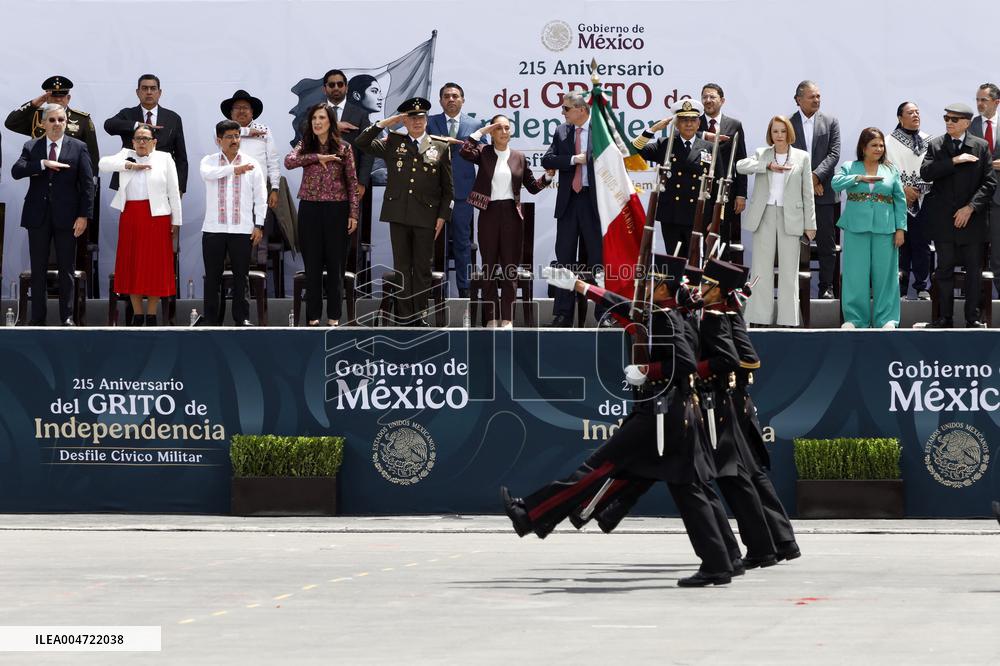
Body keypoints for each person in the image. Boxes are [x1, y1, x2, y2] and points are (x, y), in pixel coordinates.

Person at [502, 259, 736, 587]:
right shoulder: (668, 314)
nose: (643, 287)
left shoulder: (666, 318)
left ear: (664, 286)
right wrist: (581, 287)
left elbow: (684, 363)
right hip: (669, 414)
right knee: (689, 489)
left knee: (597, 469)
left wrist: (648, 372)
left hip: (661, 415)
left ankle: (531, 515)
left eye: (649, 281)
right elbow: (624, 308)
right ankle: (721, 561)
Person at [697, 258, 778, 569]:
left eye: (707, 285)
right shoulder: (717, 313)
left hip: (723, 403)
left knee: (737, 478)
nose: (701, 290)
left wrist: (694, 368)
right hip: (719, 401)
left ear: (720, 291)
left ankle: (756, 547)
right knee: (742, 477)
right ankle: (770, 544)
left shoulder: (719, 316)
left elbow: (744, 359)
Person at [355, 97, 453, 327]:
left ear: (427, 120)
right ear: (404, 121)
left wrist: (442, 216)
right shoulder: (393, 142)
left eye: (420, 118)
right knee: (402, 267)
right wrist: (386, 122)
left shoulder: (440, 145)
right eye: (411, 118)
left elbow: (448, 189)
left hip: (427, 216)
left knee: (421, 268)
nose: (416, 122)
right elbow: (362, 141)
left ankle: (418, 315)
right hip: (398, 213)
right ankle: (404, 316)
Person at [728, 267, 801, 562]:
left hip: (731, 407)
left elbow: (749, 361)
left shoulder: (727, 319)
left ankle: (767, 545)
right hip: (728, 407)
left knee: (745, 477)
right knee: (750, 476)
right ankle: (779, 542)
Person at [460, 114, 552, 326]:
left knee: (510, 268)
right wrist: (480, 132)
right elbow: (464, 151)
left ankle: (507, 318)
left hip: (512, 214)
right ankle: (492, 317)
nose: (503, 131)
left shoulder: (519, 156)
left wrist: (547, 177)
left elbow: (532, 187)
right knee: (489, 266)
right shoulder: (483, 152)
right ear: (492, 132)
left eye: (507, 128)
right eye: (498, 128)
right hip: (489, 212)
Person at [10, 103, 95, 325]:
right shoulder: (32, 146)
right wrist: (42, 163)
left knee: (66, 269)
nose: (57, 124)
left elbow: (87, 185)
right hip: (37, 216)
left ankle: (67, 317)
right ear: (43, 123)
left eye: (61, 120)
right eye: (52, 120)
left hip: (67, 217)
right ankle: (38, 319)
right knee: (38, 269)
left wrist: (83, 216)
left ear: (66, 122)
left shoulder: (78, 147)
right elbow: (16, 171)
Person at [920, 103, 997, 328]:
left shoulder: (981, 146)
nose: (949, 123)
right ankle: (945, 317)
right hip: (944, 223)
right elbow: (926, 172)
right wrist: (954, 161)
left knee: (973, 271)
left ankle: (972, 318)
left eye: (954, 119)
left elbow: (989, 182)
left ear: (966, 122)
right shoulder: (936, 145)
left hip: (972, 222)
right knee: (944, 270)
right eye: (946, 118)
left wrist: (970, 208)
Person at [99, 124, 182, 326]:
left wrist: (176, 221)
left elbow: (174, 190)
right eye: (138, 139)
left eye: (146, 139)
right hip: (131, 216)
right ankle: (137, 314)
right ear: (133, 141)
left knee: (154, 266)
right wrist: (129, 165)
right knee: (132, 264)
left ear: (154, 142)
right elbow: (102, 164)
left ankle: (152, 314)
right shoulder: (126, 154)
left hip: (158, 217)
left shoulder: (164, 158)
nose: (142, 142)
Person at [284, 104, 360, 326]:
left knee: (336, 266)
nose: (317, 122)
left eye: (322, 118)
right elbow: (289, 162)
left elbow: (352, 182)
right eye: (314, 118)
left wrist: (353, 213)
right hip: (310, 209)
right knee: (313, 267)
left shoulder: (344, 148)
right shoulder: (304, 146)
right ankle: (313, 318)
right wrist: (316, 157)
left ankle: (334, 318)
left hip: (337, 210)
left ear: (331, 121)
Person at [736, 115, 815, 327]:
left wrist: (811, 224)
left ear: (789, 132)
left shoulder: (802, 156)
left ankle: (788, 319)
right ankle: (759, 317)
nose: (779, 135)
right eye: (774, 131)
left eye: (782, 131)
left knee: (790, 271)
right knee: (761, 268)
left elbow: (808, 192)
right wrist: (767, 166)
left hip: (792, 217)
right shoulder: (762, 154)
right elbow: (740, 166)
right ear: (770, 134)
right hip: (765, 215)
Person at [831, 128, 907, 329]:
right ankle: (855, 319)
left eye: (881, 145)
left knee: (886, 275)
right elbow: (835, 183)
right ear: (863, 147)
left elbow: (899, 200)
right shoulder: (850, 166)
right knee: (855, 274)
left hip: (886, 228)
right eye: (874, 145)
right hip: (856, 227)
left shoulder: (891, 169)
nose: (879, 149)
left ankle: (887, 319)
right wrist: (858, 178)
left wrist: (901, 229)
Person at [541, 91, 605, 327]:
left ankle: (603, 314)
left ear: (581, 109)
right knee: (565, 258)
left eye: (566, 109)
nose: (562, 113)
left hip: (594, 203)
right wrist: (573, 160)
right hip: (569, 204)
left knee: (598, 261)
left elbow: (614, 160)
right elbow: (547, 160)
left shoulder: (601, 130)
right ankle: (562, 313)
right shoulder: (562, 131)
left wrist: (588, 158)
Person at [199, 120, 266, 326]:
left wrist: (259, 224)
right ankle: (212, 319)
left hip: (242, 229)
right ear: (219, 140)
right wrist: (234, 170)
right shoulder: (209, 161)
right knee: (213, 278)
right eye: (229, 137)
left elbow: (260, 196)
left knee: (241, 277)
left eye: (237, 136)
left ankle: (242, 318)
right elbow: (207, 175)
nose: (235, 140)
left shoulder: (251, 163)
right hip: (213, 229)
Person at [633, 99, 715, 258]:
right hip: (672, 213)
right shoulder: (665, 143)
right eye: (684, 120)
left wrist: (713, 218)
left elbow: (717, 183)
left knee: (695, 261)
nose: (689, 124)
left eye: (693, 120)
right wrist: (653, 129)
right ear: (676, 124)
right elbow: (635, 150)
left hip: (697, 213)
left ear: (699, 123)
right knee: (674, 260)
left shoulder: (709, 147)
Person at [222, 89, 297, 259]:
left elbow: (273, 162)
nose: (242, 111)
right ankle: (234, 272)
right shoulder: (223, 131)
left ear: (252, 112)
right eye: (237, 108)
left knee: (258, 233)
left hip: (258, 192)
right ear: (231, 113)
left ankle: (256, 275)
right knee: (233, 237)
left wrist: (275, 189)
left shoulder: (263, 130)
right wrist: (246, 132)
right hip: (232, 194)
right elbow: (218, 135)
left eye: (246, 107)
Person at [428, 83, 483, 298]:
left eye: (455, 96)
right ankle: (433, 293)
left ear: (463, 100)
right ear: (440, 100)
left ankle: (465, 292)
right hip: (433, 193)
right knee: (431, 244)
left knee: (462, 243)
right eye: (446, 96)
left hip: (463, 194)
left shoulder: (475, 124)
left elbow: (483, 155)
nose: (451, 99)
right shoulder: (430, 122)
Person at [790, 81, 841, 299]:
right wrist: (807, 181)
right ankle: (791, 287)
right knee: (792, 242)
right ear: (798, 99)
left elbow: (834, 153)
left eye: (818, 96)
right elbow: (785, 155)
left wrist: (816, 176)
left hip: (824, 194)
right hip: (795, 194)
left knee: (826, 243)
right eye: (812, 97)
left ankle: (826, 286)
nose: (817, 100)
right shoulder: (788, 123)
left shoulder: (830, 122)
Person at [103, 74, 188, 194]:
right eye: (144, 88)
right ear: (137, 92)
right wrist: (137, 125)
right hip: (130, 179)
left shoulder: (173, 118)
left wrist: (179, 187)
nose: (149, 92)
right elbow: (108, 125)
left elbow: (181, 157)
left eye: (153, 88)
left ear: (160, 92)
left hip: (162, 179)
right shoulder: (128, 114)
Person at [885, 102, 932, 301]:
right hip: (897, 200)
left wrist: (919, 190)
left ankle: (922, 286)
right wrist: (903, 189)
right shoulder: (887, 142)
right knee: (900, 244)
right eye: (910, 112)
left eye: (917, 112)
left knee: (922, 244)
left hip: (923, 199)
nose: (915, 115)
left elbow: (933, 168)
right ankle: (900, 289)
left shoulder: (929, 141)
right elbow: (886, 167)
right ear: (899, 117)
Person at [6, 76, 100, 172]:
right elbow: (11, 123)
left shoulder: (81, 120)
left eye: (62, 96)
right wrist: (35, 103)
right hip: (42, 177)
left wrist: (93, 181)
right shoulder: (37, 116)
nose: (58, 99)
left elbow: (92, 154)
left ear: (68, 98)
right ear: (46, 98)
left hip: (72, 178)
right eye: (54, 96)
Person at [699, 83, 748, 249]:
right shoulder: (694, 125)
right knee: (699, 239)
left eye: (712, 97)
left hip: (725, 191)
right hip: (700, 191)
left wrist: (741, 194)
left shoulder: (734, 125)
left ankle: (718, 274)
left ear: (722, 100)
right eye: (705, 97)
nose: (708, 100)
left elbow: (741, 161)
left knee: (721, 240)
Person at [969, 84, 1000, 296]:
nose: (979, 104)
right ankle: (976, 301)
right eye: (978, 100)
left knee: (998, 254)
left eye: (984, 100)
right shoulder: (970, 125)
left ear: (996, 102)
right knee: (973, 253)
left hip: (999, 199)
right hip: (976, 198)